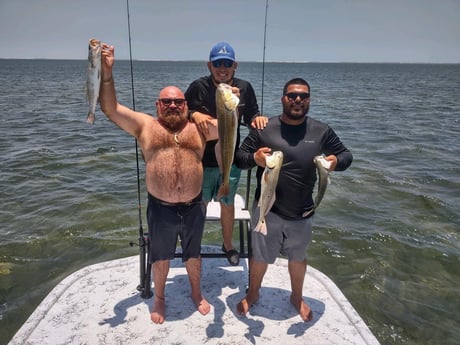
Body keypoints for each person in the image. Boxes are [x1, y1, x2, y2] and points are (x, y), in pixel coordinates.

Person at [99, 43, 219, 324]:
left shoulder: (199, 128)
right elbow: (110, 108)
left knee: (193, 254)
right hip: (160, 207)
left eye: (178, 102)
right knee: (161, 256)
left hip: (193, 205)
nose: (173, 106)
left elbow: (231, 121)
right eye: (167, 102)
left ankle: (196, 292)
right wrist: (107, 73)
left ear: (187, 105)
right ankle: (161, 298)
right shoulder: (145, 125)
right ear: (158, 105)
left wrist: (222, 103)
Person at [234, 78, 353, 321]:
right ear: (283, 99)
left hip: (303, 212)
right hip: (267, 210)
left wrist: (334, 162)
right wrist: (254, 158)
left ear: (309, 100)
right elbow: (239, 157)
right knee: (259, 257)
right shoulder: (265, 128)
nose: (297, 100)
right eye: (292, 95)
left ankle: (296, 297)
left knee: (298, 257)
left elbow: (346, 155)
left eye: (303, 96)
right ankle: (253, 293)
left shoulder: (321, 131)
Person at [185, 42, 267, 266]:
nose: (223, 68)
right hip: (200, 160)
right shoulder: (198, 86)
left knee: (227, 203)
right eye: (218, 63)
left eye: (227, 63)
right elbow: (181, 111)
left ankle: (228, 244)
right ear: (209, 65)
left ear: (235, 65)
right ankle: (193, 246)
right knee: (198, 205)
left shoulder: (245, 88)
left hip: (229, 158)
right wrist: (194, 114)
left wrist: (256, 120)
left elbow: (252, 115)